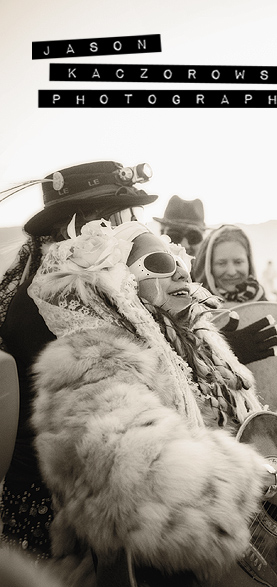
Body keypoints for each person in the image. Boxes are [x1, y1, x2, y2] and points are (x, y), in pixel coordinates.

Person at [26, 219, 277, 587]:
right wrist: (263, 480)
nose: (179, 275)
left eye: (180, 263)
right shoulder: (91, 358)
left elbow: (243, 436)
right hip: (164, 581)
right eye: (159, 263)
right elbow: (134, 470)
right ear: (116, 278)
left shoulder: (193, 345)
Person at [0, 160, 157, 559]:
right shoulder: (62, 300)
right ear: (82, 227)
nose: (135, 227)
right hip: (59, 510)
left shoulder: (50, 286)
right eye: (120, 217)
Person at [192, 224, 266, 306]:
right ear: (209, 268)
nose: (232, 272)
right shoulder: (195, 310)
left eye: (238, 262)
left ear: (249, 262)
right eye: (221, 263)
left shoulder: (269, 308)